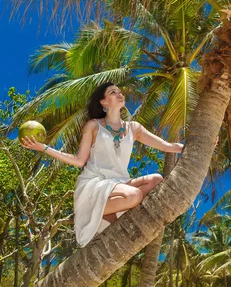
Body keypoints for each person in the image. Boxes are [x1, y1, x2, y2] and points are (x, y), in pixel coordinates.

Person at [20, 82, 184, 247]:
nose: (120, 94)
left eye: (120, 91)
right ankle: (92, 212)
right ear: (104, 102)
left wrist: (199, 145)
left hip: (119, 183)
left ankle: (109, 213)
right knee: (134, 195)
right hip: (95, 183)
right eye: (113, 92)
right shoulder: (93, 126)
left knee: (156, 179)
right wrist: (44, 148)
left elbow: (167, 146)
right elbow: (79, 161)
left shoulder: (134, 128)